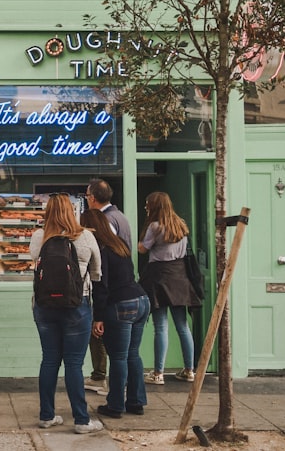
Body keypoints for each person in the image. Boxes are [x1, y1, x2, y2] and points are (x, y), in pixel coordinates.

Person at [29, 193, 104, 434]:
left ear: (48, 212)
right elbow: (97, 273)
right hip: (77, 305)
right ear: (72, 211)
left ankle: (46, 416)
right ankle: (81, 421)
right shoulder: (86, 236)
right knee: (74, 363)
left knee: (49, 359)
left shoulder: (39, 237)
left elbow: (34, 262)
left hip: (44, 306)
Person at [85, 208, 150, 419]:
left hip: (121, 304)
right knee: (133, 354)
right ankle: (136, 401)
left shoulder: (101, 249)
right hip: (141, 300)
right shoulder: (119, 244)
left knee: (119, 357)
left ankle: (115, 405)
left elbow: (101, 286)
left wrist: (98, 317)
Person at [137, 191, 201, 385]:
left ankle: (158, 373)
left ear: (155, 206)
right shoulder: (180, 224)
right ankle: (190, 370)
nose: (146, 207)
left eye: (148, 204)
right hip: (179, 278)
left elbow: (142, 249)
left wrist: (140, 242)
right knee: (183, 326)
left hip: (159, 278)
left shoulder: (155, 227)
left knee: (161, 327)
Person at [83, 178, 134, 394]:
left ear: (92, 198)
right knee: (129, 353)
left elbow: (102, 268)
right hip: (127, 288)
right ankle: (131, 394)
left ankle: (106, 383)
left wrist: (99, 314)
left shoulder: (105, 221)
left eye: (87, 196)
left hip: (112, 292)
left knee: (111, 344)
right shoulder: (120, 216)